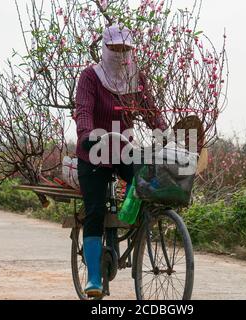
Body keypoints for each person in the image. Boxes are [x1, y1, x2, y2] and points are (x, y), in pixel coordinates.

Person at [73, 24, 167, 297]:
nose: (120, 54)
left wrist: (165, 133)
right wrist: (87, 133)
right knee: (94, 212)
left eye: (125, 48)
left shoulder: (137, 78)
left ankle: (132, 219)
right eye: (115, 48)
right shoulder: (91, 77)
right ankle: (93, 278)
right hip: (94, 152)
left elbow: (151, 112)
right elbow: (84, 110)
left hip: (124, 149)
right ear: (105, 48)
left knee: (147, 181)